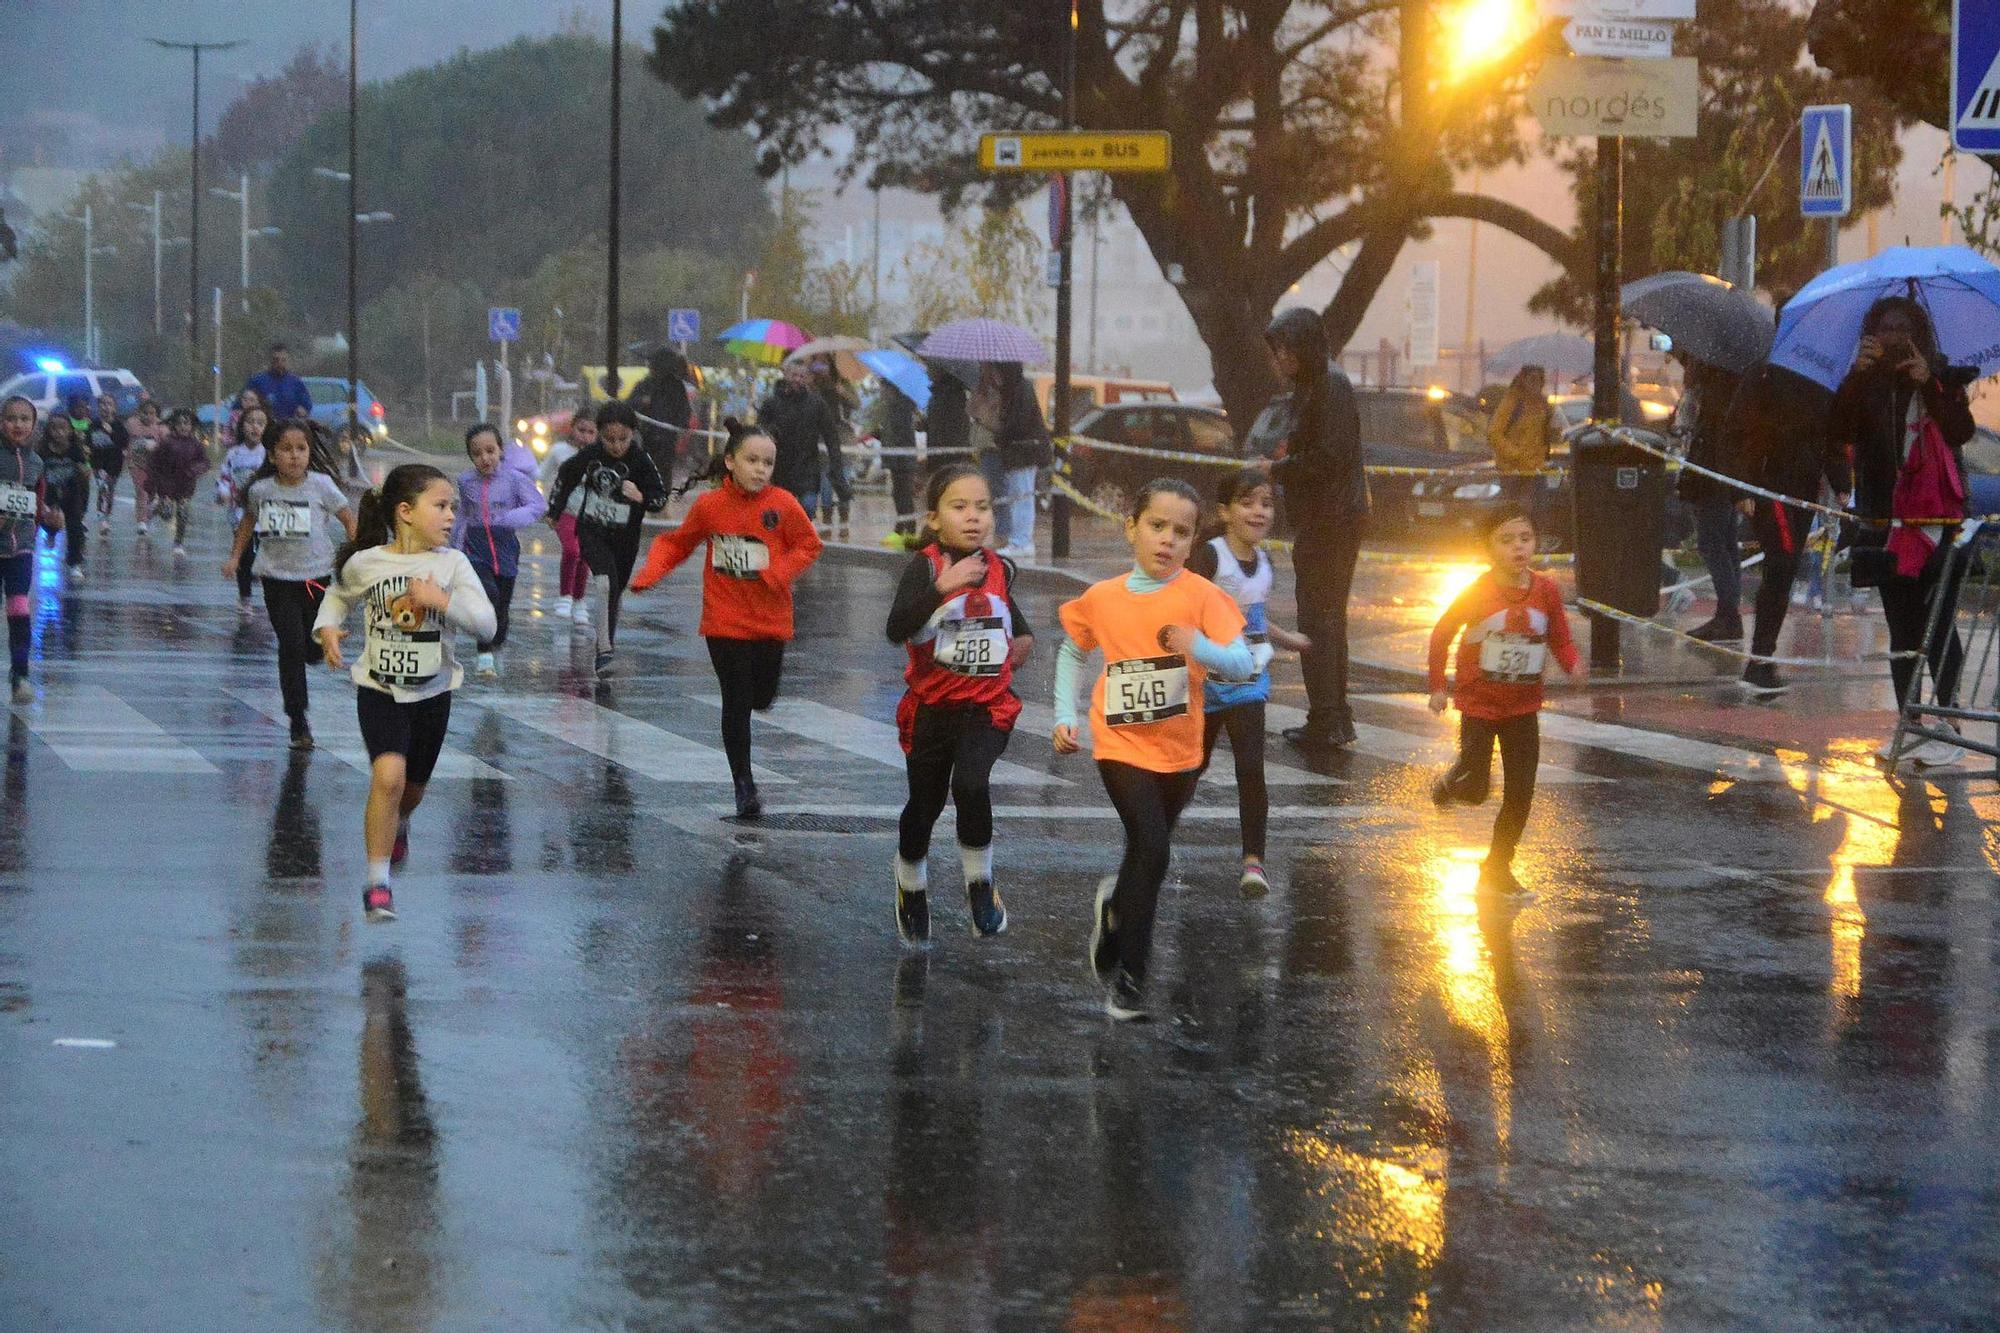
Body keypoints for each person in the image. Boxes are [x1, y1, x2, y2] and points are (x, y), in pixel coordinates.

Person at [1052, 478, 1256, 1022]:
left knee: (1145, 853)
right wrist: (1065, 715)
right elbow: (1073, 653)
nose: (1167, 539)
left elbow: (1241, 664)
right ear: (1132, 529)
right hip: (1118, 743)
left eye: (1180, 532)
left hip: (1181, 750)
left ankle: (1115, 908)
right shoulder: (1103, 597)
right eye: (1156, 526)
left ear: (1192, 544)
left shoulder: (1202, 596)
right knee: (1154, 849)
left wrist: (1199, 646)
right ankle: (1131, 980)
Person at [314, 463, 496, 922]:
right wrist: (329, 629)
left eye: (453, 506)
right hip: (378, 687)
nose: (452, 515)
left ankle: (400, 825)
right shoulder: (367, 562)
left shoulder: (452, 564)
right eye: (441, 506)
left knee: (410, 793)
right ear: (405, 512)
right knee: (388, 778)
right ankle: (377, 883)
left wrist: (443, 603)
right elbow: (338, 593)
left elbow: (488, 625)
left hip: (433, 693)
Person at [630, 420, 823, 818]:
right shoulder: (710, 506)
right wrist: (650, 573)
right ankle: (744, 783)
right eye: (752, 460)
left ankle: (752, 730)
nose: (760, 470)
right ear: (730, 462)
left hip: (769, 620)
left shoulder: (783, 505)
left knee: (762, 697)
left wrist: (777, 572)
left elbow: (809, 545)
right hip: (724, 621)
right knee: (735, 701)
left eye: (767, 463)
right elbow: (676, 543)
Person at [883, 463, 1035, 945]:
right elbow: (896, 629)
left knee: (971, 783)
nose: (973, 517)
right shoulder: (925, 566)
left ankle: (981, 886)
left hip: (986, 708)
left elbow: (1020, 627)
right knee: (923, 806)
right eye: (959, 506)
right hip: (932, 711)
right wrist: (944, 587)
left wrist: (1016, 648)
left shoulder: (999, 568)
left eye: (983, 507)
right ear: (934, 518)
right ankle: (910, 883)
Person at [1829, 295, 1977, 765]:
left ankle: (1949, 723)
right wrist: (1855, 376)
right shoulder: (1866, 380)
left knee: (1938, 623)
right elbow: (1838, 431)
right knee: (1902, 628)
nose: (1893, 337)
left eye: (1902, 327)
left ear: (1919, 332)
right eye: (1884, 328)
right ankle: (1908, 721)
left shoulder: (1942, 376)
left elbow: (1960, 432)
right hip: (1884, 522)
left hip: (1935, 523)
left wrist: (1929, 386)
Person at [1427, 506, 1583, 897]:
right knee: (1477, 789)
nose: (1518, 548)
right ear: (1489, 548)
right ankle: (1452, 783)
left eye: (1525, 539)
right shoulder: (1476, 591)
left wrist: (1573, 664)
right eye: (1507, 540)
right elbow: (1441, 634)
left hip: (1523, 706)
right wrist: (1437, 686)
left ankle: (1497, 866)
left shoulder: (1546, 589)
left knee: (1520, 793)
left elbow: (1559, 637)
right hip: (1479, 703)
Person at [1187, 470, 1311, 899]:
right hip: (1204, 683)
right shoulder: (1209, 556)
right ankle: (1151, 839)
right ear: (1224, 512)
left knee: (1251, 769)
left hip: (1248, 682)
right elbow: (1185, 611)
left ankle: (1253, 863)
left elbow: (1253, 619)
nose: (1258, 511)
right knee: (1191, 768)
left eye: (1266, 504)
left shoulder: (1266, 563)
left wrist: (1287, 638)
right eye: (1247, 503)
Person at [1261, 307, 1369, 752]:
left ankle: (1327, 716)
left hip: (1332, 519)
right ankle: (1331, 715)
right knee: (1326, 620)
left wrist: (1278, 469)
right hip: (1328, 517)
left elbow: (1329, 456)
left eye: (1284, 349)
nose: (1279, 360)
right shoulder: (1317, 385)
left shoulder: (1329, 386)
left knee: (1319, 621)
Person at [225, 418, 357, 749]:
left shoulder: (321, 485)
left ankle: (314, 649)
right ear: (271, 456)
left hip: (316, 577)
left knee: (310, 647)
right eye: (286, 450)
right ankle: (298, 720)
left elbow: (347, 517)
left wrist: (357, 552)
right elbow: (247, 524)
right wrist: (235, 557)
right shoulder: (261, 491)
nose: (294, 456)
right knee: (291, 645)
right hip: (277, 580)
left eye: (301, 449)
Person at [1723, 358, 1843, 698]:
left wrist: (1840, 479)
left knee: (1783, 573)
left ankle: (1761, 658)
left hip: (1804, 489)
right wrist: (1742, 486)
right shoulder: (1763, 373)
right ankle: (1760, 658)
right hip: (1768, 483)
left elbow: (1832, 435)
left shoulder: (1824, 377)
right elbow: (1736, 432)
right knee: (1783, 560)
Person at [544, 401, 669, 675]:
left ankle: (607, 639)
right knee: (603, 583)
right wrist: (555, 509)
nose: (616, 446)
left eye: (622, 439)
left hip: (625, 538)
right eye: (609, 439)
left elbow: (660, 497)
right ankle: (603, 649)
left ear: (633, 435)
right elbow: (566, 475)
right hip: (592, 530)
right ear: (600, 434)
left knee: (614, 590)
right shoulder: (591, 455)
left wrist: (642, 497)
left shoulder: (639, 459)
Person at [451, 423, 545, 678]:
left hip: (505, 549)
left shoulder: (515, 480)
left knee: (502, 605)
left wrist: (508, 518)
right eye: (477, 453)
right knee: (487, 595)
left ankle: (497, 643)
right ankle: (483, 653)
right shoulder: (466, 481)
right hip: (476, 548)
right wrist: (453, 549)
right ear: (471, 456)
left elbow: (537, 506)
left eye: (490, 451)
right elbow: (463, 516)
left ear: (500, 450)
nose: (485, 458)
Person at [1674, 356, 1747, 642]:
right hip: (1721, 477)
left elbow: (1713, 436)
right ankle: (1728, 616)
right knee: (1726, 545)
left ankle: (1728, 616)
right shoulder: (1727, 383)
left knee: (1713, 544)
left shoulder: (1717, 389)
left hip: (1714, 477)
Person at [970, 363, 1051, 563]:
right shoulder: (1015, 390)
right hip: (1018, 451)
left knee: (1021, 497)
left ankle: (1021, 542)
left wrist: (1001, 434)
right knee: (1017, 496)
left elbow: (1019, 422)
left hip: (1024, 451)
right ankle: (1019, 540)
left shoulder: (1021, 389)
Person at [1, 396, 48, 703]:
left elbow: (37, 505)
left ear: (33, 424)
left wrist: (51, 521)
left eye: (24, 419)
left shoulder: (37, 463)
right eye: (11, 418)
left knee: (19, 607)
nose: (18, 424)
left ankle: (20, 675)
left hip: (22, 548)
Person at [755, 361, 842, 521]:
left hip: (807, 466)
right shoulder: (772, 403)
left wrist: (835, 462)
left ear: (807, 378)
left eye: (801, 376)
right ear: (786, 374)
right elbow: (759, 431)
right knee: (778, 512)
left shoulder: (816, 404)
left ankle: (799, 539)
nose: (797, 379)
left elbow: (831, 435)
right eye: (794, 375)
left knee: (807, 508)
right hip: (780, 467)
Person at [1486, 365, 1561, 532]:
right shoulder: (1512, 402)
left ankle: (1534, 546)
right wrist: (1516, 454)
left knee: (1537, 513)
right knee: (1512, 512)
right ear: (1523, 380)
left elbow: (1549, 436)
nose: (1536, 384)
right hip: (1512, 470)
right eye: (1532, 379)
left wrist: (1554, 429)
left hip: (1536, 469)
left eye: (1540, 380)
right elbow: (1494, 433)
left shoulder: (1544, 405)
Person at [537, 410, 595, 622]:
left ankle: (580, 601)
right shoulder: (560, 451)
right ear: (572, 428)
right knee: (572, 550)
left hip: (589, 514)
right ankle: (565, 596)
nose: (585, 436)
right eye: (581, 430)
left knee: (585, 557)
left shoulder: (599, 456)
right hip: (565, 511)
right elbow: (540, 474)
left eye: (591, 432)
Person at [220, 405, 269, 611]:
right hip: (239, 511)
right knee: (244, 553)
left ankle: (270, 595)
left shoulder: (269, 454)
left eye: (260, 423)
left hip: (264, 513)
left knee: (264, 554)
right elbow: (224, 476)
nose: (255, 427)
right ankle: (245, 596)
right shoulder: (234, 454)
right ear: (241, 427)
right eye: (250, 422)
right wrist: (223, 490)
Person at [628, 345, 694, 494]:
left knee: (664, 471)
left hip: (667, 440)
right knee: (646, 469)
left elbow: (684, 410)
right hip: (647, 436)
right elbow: (629, 405)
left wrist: (682, 425)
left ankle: (661, 499)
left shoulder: (676, 387)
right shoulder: (645, 384)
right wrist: (642, 402)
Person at [148, 408, 210, 556]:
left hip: (186, 485)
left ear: (192, 426)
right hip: (167, 485)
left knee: (183, 512)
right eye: (180, 423)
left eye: (186, 423)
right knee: (168, 513)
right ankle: (156, 509)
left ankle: (178, 543)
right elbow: (155, 462)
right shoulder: (167, 442)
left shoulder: (196, 444)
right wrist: (154, 483)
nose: (183, 427)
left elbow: (205, 462)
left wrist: (195, 469)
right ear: (174, 425)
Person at [37, 413, 91, 579]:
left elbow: (85, 471)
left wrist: (83, 471)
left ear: (70, 431)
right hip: (50, 494)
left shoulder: (75, 449)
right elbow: (36, 470)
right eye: (54, 428)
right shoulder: (43, 450)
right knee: (50, 521)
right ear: (48, 431)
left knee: (75, 527)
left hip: (71, 494)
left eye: (63, 428)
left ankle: (74, 562)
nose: (58, 432)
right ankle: (51, 533)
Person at [807, 357, 857, 536]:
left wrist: (842, 392)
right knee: (825, 483)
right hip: (821, 440)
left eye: (823, 364)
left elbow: (856, 403)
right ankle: (827, 521)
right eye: (817, 365)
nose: (820, 369)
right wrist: (811, 386)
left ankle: (844, 522)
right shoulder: (812, 387)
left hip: (843, 439)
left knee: (843, 478)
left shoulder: (843, 384)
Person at [870, 380, 921, 547]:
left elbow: (900, 435)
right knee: (898, 494)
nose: (881, 391)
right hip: (896, 458)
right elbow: (891, 433)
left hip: (902, 459)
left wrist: (882, 434)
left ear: (892, 388)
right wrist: (878, 433)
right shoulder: (893, 407)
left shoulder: (901, 408)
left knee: (903, 495)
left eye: (883, 388)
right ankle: (901, 530)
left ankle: (909, 532)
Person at [244, 343, 313, 421]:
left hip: (288, 427)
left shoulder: (296, 382)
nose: (280, 363)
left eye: (283, 360)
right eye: (276, 359)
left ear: (288, 361)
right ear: (270, 360)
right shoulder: (257, 381)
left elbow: (307, 405)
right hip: (264, 427)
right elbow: (243, 404)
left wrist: (303, 410)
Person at [124, 400, 164, 535]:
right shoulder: (132, 424)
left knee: (152, 494)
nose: (148, 416)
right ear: (139, 413)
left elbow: (165, 446)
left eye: (152, 413)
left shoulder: (160, 427)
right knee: (141, 491)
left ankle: (149, 513)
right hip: (136, 464)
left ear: (156, 415)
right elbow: (127, 441)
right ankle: (141, 521)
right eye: (145, 413)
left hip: (153, 465)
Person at [89, 391, 128, 529]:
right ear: (98, 407)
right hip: (98, 463)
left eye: (109, 404)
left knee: (109, 489)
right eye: (102, 404)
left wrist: (111, 432)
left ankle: (106, 514)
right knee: (102, 487)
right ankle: (101, 516)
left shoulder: (118, 425)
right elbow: (88, 442)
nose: (105, 407)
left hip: (114, 463)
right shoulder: (93, 424)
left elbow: (124, 443)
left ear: (114, 408)